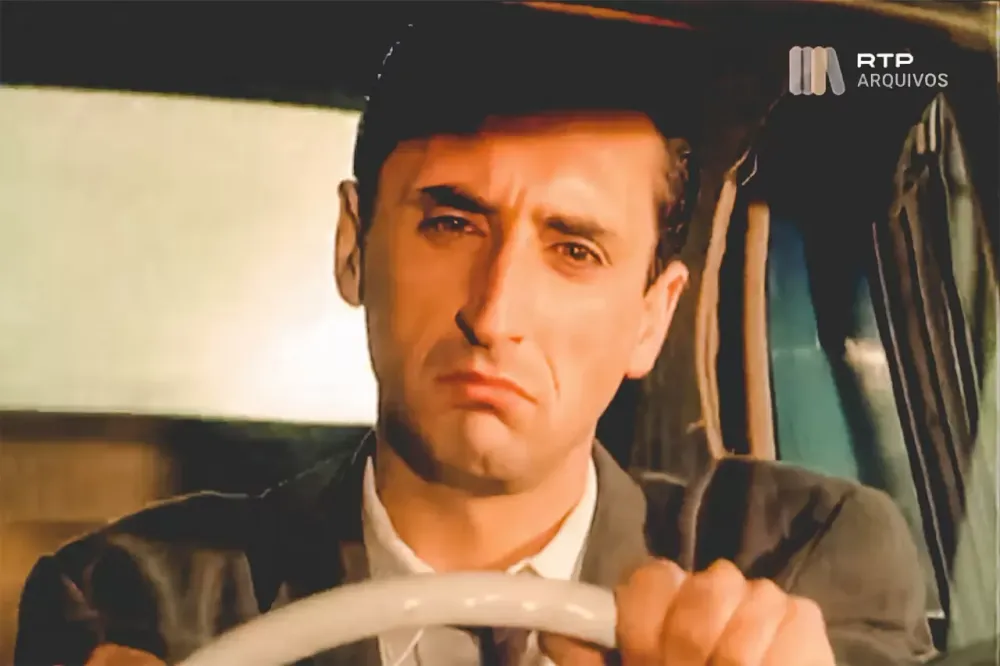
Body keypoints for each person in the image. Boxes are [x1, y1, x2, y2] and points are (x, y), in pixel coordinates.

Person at [15, 5, 933, 666]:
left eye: (573, 251)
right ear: (353, 249)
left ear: (652, 316)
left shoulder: (797, 566)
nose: (493, 316)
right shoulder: (136, 601)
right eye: (451, 224)